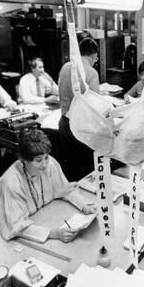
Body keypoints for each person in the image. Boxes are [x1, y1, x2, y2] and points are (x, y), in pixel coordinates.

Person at [0, 129, 96, 241]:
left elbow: (66, 190)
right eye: (38, 160)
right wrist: (54, 233)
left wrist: (84, 205)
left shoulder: (50, 164)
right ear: (24, 160)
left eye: (46, 157)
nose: (44, 164)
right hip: (21, 236)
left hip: (45, 218)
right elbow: (16, 226)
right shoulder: (11, 182)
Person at [58, 36, 101, 181]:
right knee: (85, 172)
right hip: (81, 128)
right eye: (96, 59)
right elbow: (95, 105)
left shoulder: (65, 67)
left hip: (64, 123)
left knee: (70, 167)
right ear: (94, 56)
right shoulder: (91, 72)